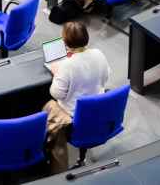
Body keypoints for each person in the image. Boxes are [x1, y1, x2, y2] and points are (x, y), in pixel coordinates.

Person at [43, 22, 110, 173]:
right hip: (98, 109)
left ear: (65, 43)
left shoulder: (67, 65)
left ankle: (52, 151)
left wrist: (56, 73)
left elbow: (56, 94)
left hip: (73, 116)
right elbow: (106, 77)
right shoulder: (99, 53)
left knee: (49, 105)